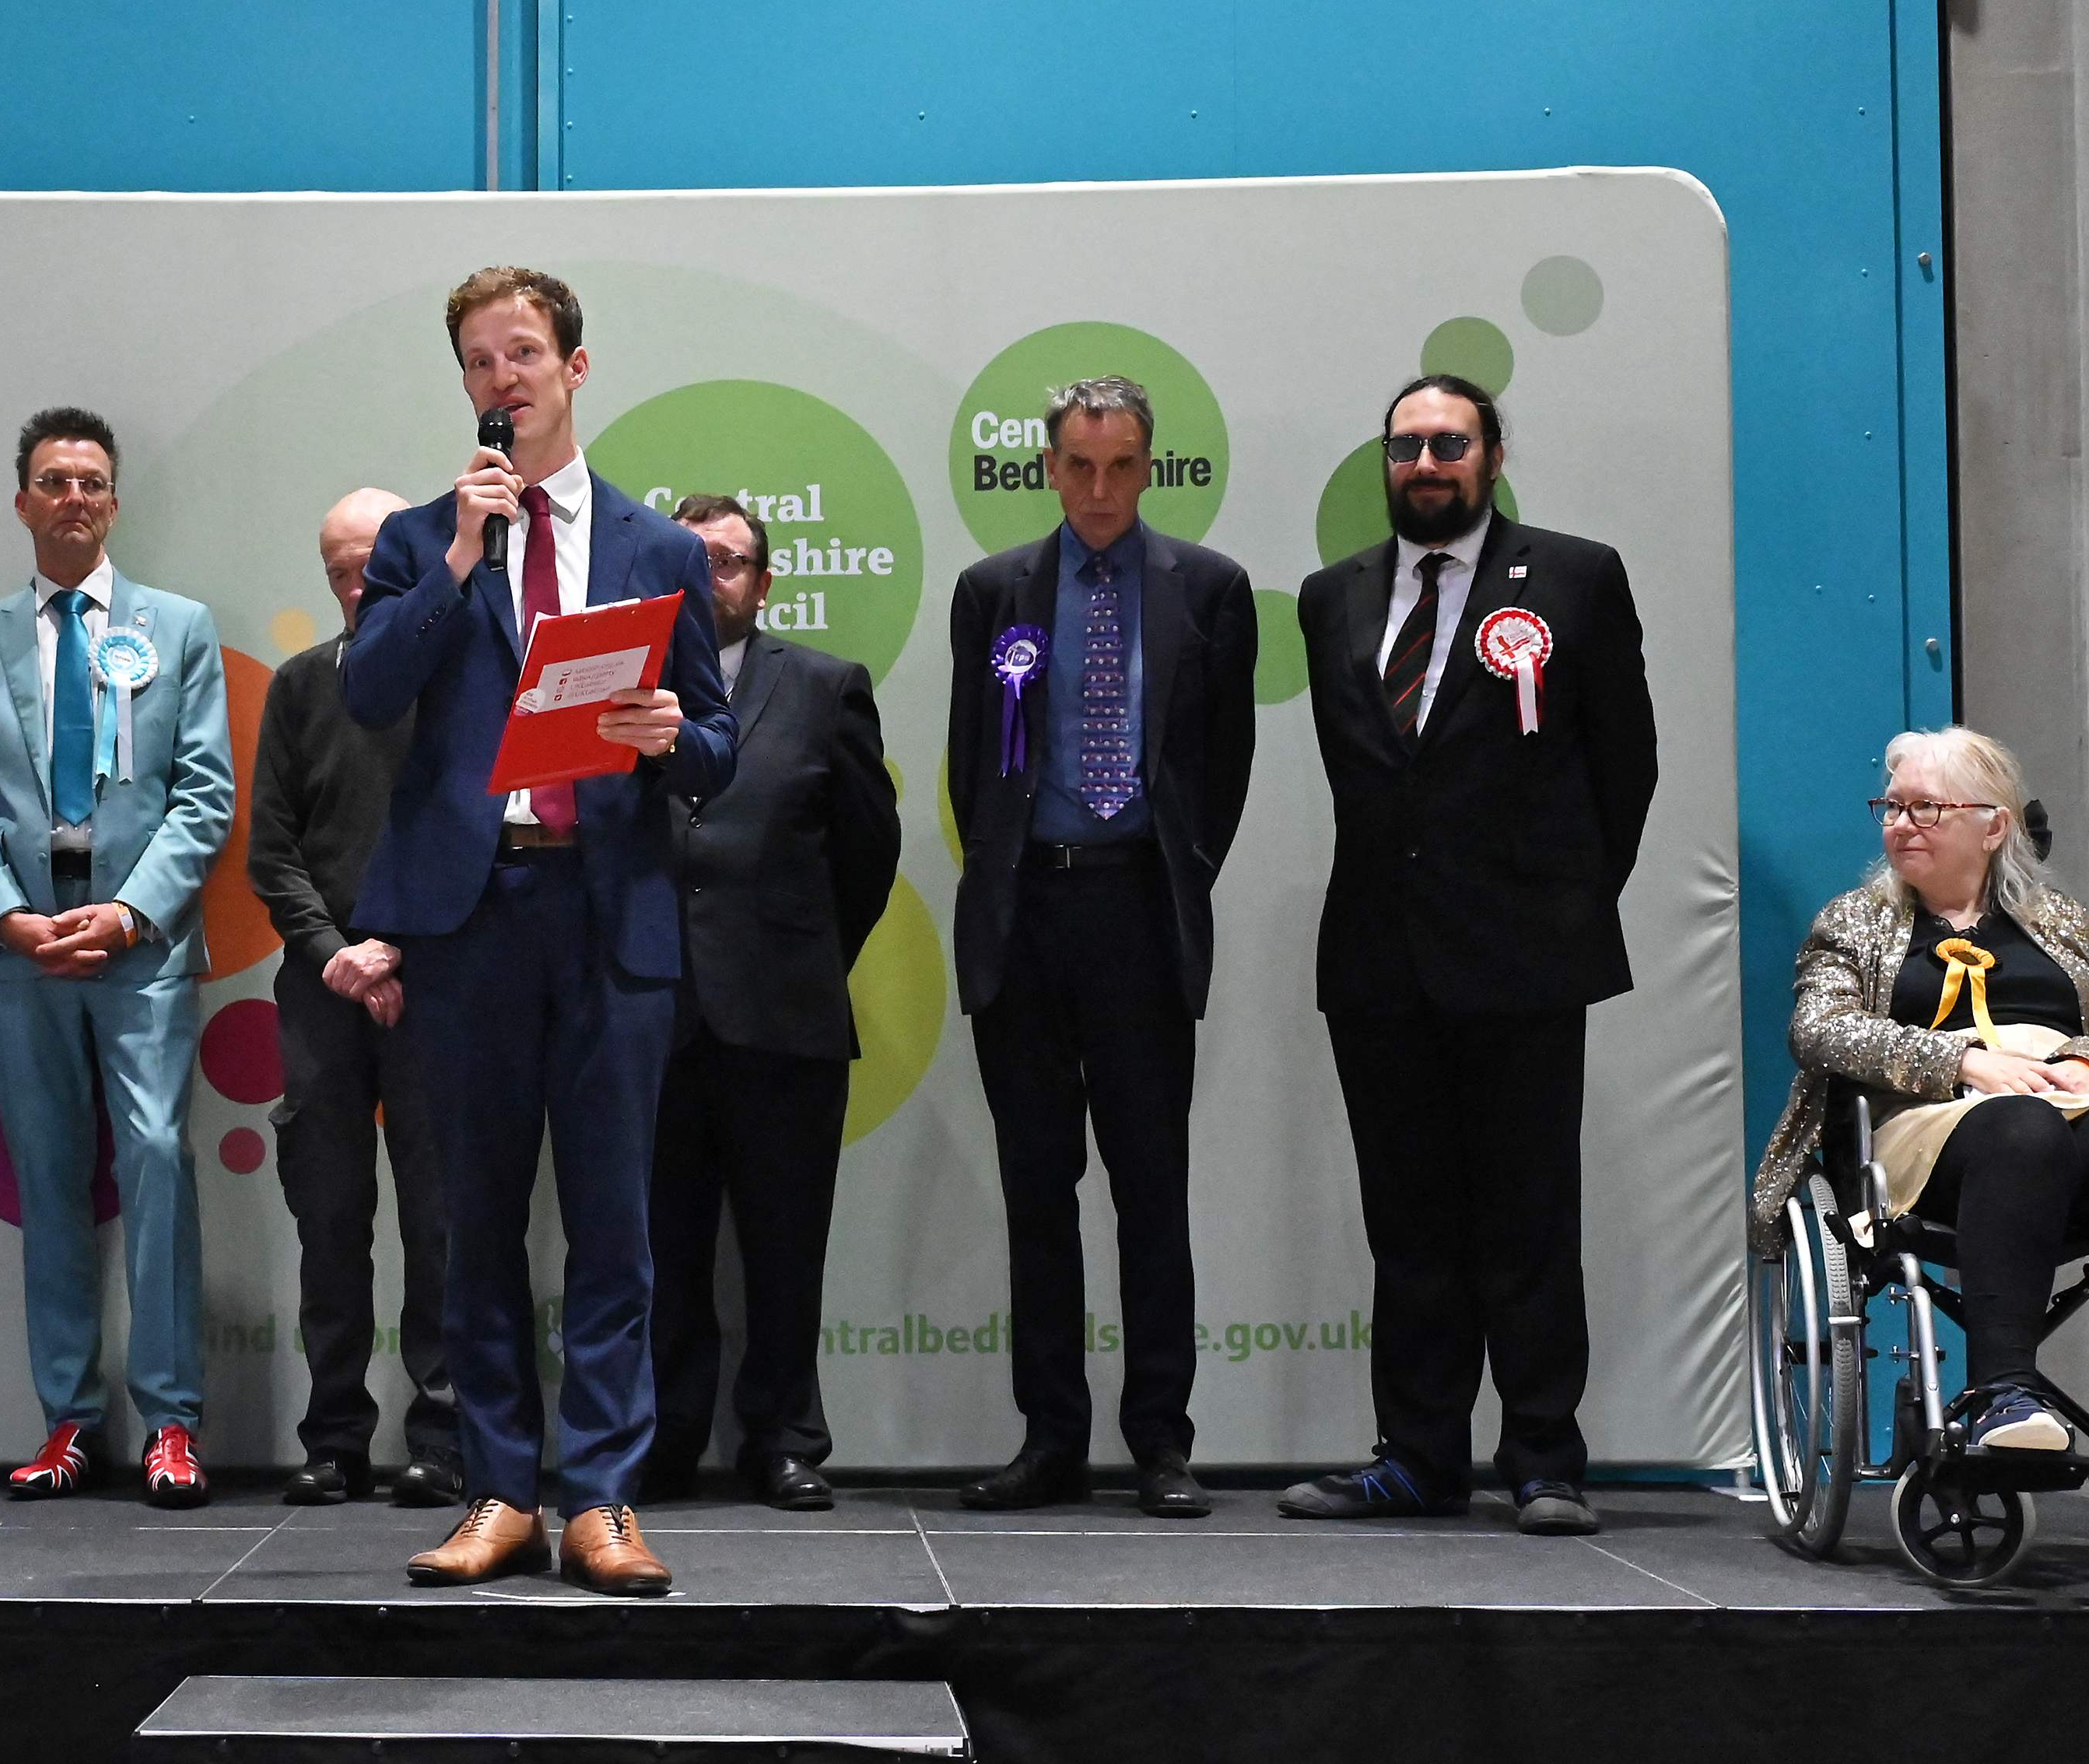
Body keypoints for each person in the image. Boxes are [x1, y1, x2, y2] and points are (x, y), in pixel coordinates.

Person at [343, 266, 734, 1597]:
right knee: (475, 1219)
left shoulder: (660, 550)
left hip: (609, 907)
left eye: (522, 353)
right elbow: (370, 689)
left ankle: (604, 1498)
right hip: (474, 912)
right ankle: (500, 1487)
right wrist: (459, 553)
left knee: (617, 1224)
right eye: (477, 360)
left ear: (577, 366)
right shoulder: (418, 538)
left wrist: (679, 736)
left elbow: (718, 745)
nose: (500, 378)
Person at [1281, 375, 1657, 1535]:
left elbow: (1624, 767)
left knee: (1529, 1218)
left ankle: (1544, 1459)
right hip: (1379, 964)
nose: (1426, 463)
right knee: (1409, 1224)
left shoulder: (1576, 577)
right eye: (1405, 446)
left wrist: (1557, 906)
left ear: (1494, 454)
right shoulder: (1330, 597)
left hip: (1525, 958)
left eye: (1449, 442)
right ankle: (1419, 1455)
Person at [1751, 728, 2089, 1455]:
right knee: (2020, 1128)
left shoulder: (2058, 921)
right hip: (1929, 1124)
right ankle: (2003, 1394)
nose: (1899, 824)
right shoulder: (1854, 922)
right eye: (1890, 808)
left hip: (2065, 1102)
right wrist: (1963, 1061)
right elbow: (1820, 1029)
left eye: (1925, 808)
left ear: (1993, 826)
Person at [945, 377, 1257, 1520]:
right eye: (1079, 466)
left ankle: (1161, 1440)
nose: (1099, 489)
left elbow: (1220, 771)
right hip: (1026, 918)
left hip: (1139, 914)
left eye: (1122, 466)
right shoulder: (995, 593)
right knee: (1039, 1190)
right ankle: (1051, 1437)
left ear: (1150, 465)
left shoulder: (1209, 591)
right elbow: (972, 765)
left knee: (1150, 1188)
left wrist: (1170, 876)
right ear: (1047, 466)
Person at [0, 409, 237, 1507]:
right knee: (50, 1178)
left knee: (158, 1163)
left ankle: (172, 1424)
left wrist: (125, 915)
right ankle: (67, 1418)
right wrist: (12, 920)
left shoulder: (179, 627)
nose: (74, 497)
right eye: (53, 481)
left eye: (93, 482)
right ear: (22, 501)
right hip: (19, 952)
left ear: (114, 503)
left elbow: (205, 797)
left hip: (139, 950)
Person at [646, 492, 899, 1510]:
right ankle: (664, 1436)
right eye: (692, 561)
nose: (713, 579)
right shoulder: (619, 686)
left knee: (787, 1244)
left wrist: (802, 952)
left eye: (734, 562)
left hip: (784, 1014)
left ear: (766, 580)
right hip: (651, 1014)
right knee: (662, 1248)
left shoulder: (827, 686)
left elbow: (868, 852)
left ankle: (786, 1438)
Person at [248, 487, 462, 1510]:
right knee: (329, 1219)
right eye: (336, 567)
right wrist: (338, 954)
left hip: (440, 988)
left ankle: (445, 1440)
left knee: (442, 1224)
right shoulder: (299, 687)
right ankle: (333, 1441)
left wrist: (400, 951)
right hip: (322, 991)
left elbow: (475, 830)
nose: (352, 583)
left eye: (369, 562)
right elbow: (272, 849)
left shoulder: (467, 677)